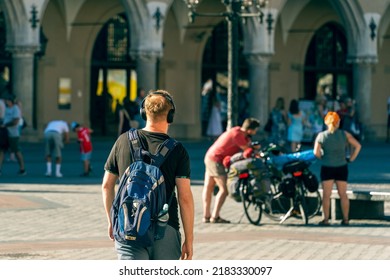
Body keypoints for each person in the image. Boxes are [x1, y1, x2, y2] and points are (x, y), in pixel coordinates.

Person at [102, 89, 194, 260]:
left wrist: (111, 220)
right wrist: (189, 239)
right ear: (170, 116)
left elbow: (107, 186)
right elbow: (185, 197)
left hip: (128, 224)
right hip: (165, 228)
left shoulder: (123, 141)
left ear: (143, 113)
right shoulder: (177, 150)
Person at [202, 117, 260, 223]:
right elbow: (247, 150)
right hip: (216, 160)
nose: (256, 132)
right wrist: (256, 151)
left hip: (210, 155)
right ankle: (215, 216)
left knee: (209, 186)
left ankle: (206, 215)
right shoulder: (238, 135)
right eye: (255, 130)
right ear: (250, 130)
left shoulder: (236, 130)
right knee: (224, 189)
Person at [313, 111, 361, 226]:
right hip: (342, 167)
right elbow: (358, 146)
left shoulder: (321, 136)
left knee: (326, 195)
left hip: (327, 167)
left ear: (326, 123)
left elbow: (316, 152)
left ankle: (326, 220)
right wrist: (351, 158)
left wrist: (322, 157)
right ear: (338, 122)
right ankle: (345, 219)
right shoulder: (344, 134)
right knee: (343, 194)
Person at [0, 92, 26, 176]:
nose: (6, 102)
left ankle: (22, 169)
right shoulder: (6, 109)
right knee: (1, 150)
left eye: (8, 101)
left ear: (11, 101)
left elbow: (15, 121)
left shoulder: (15, 109)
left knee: (16, 151)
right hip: (5, 133)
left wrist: (5, 125)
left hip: (13, 134)